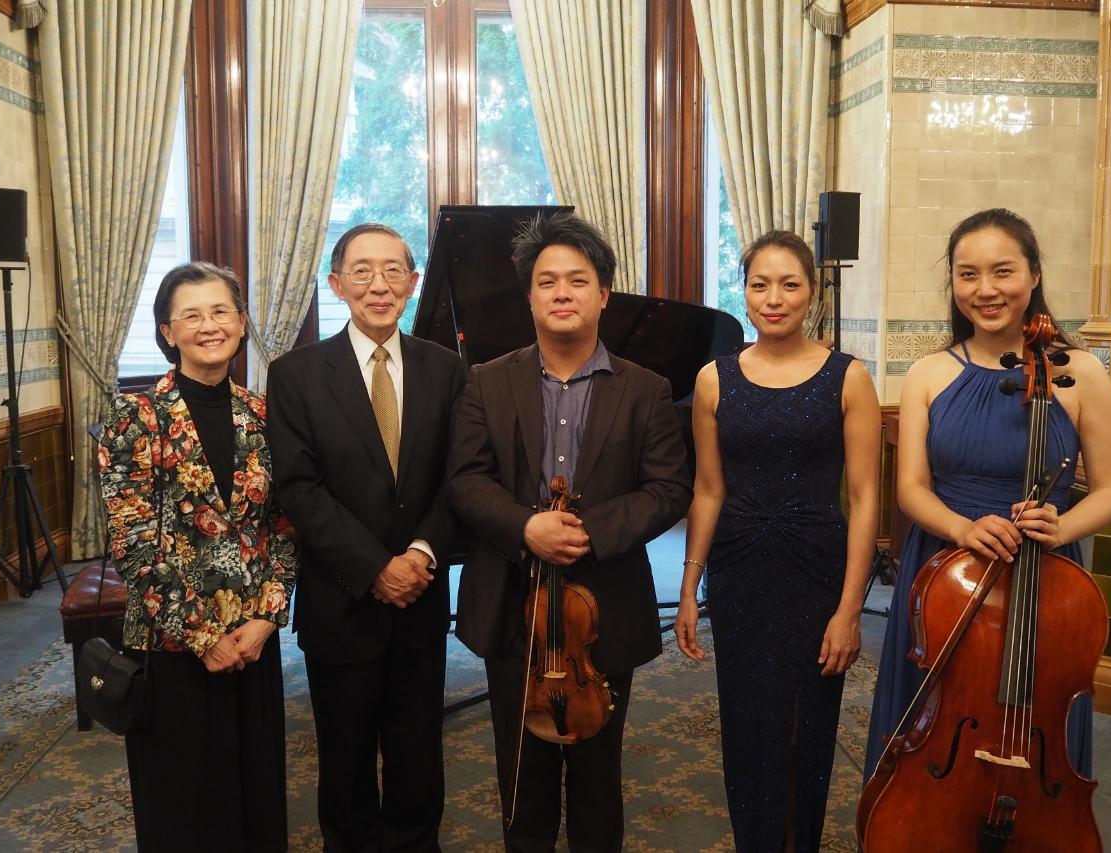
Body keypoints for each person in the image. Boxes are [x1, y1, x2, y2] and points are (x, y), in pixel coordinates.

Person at [447, 211, 692, 851]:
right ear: (529, 295)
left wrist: (584, 532)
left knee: (596, 780)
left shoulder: (646, 390)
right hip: (511, 607)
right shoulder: (485, 382)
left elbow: (669, 490)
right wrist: (526, 527)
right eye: (547, 281)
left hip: (604, 610)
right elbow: (466, 481)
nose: (562, 293)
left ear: (603, 294)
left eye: (578, 281)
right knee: (520, 779)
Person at [863, 208, 1111, 781]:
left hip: (1044, 571)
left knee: (1038, 717)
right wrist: (961, 528)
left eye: (1002, 271)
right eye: (967, 274)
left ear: (1034, 275)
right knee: (933, 720)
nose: (985, 290)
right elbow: (909, 488)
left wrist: (1064, 526)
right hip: (942, 569)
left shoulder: (1080, 373)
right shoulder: (929, 373)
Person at [674, 230, 881, 851]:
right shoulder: (715, 379)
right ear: (744, 292)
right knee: (747, 725)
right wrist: (689, 587)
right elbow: (708, 490)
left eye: (789, 284)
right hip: (739, 570)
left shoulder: (849, 378)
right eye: (760, 284)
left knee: (805, 728)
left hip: (818, 568)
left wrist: (850, 611)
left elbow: (867, 498)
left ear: (812, 294)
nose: (773, 298)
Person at [266, 223, 466, 851]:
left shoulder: (448, 370)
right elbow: (298, 488)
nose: (378, 285)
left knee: (417, 751)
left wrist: (421, 553)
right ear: (336, 284)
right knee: (344, 756)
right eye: (362, 271)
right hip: (342, 599)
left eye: (392, 271)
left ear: (413, 283)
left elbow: (458, 480)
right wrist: (375, 567)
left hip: (421, 594)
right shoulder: (295, 374)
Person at [98, 261, 297, 852]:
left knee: (254, 790)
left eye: (221, 312)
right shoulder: (135, 417)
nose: (208, 326)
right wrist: (204, 633)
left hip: (253, 641)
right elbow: (131, 540)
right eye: (191, 315)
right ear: (167, 332)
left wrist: (266, 619)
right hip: (171, 645)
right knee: (183, 802)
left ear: (241, 322)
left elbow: (285, 527)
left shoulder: (263, 415)